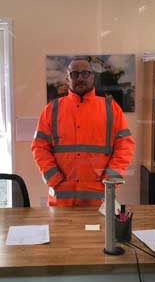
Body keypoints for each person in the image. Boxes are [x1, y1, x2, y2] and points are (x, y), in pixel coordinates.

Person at [31, 58, 135, 207]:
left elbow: (125, 146)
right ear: (67, 79)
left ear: (92, 77)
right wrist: (54, 178)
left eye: (85, 73)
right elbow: (39, 147)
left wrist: (110, 179)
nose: (80, 78)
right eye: (74, 74)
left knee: (100, 225)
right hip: (61, 200)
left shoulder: (111, 109)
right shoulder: (51, 110)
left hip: (99, 199)